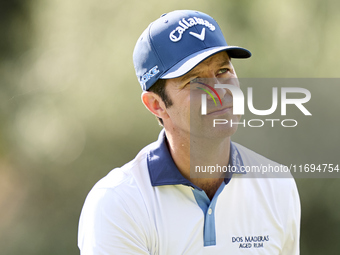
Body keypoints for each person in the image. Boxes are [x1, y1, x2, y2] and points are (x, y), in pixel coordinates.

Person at [78, 10, 300, 254]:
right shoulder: (118, 203)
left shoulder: (277, 185)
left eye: (223, 71)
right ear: (157, 105)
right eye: (194, 80)